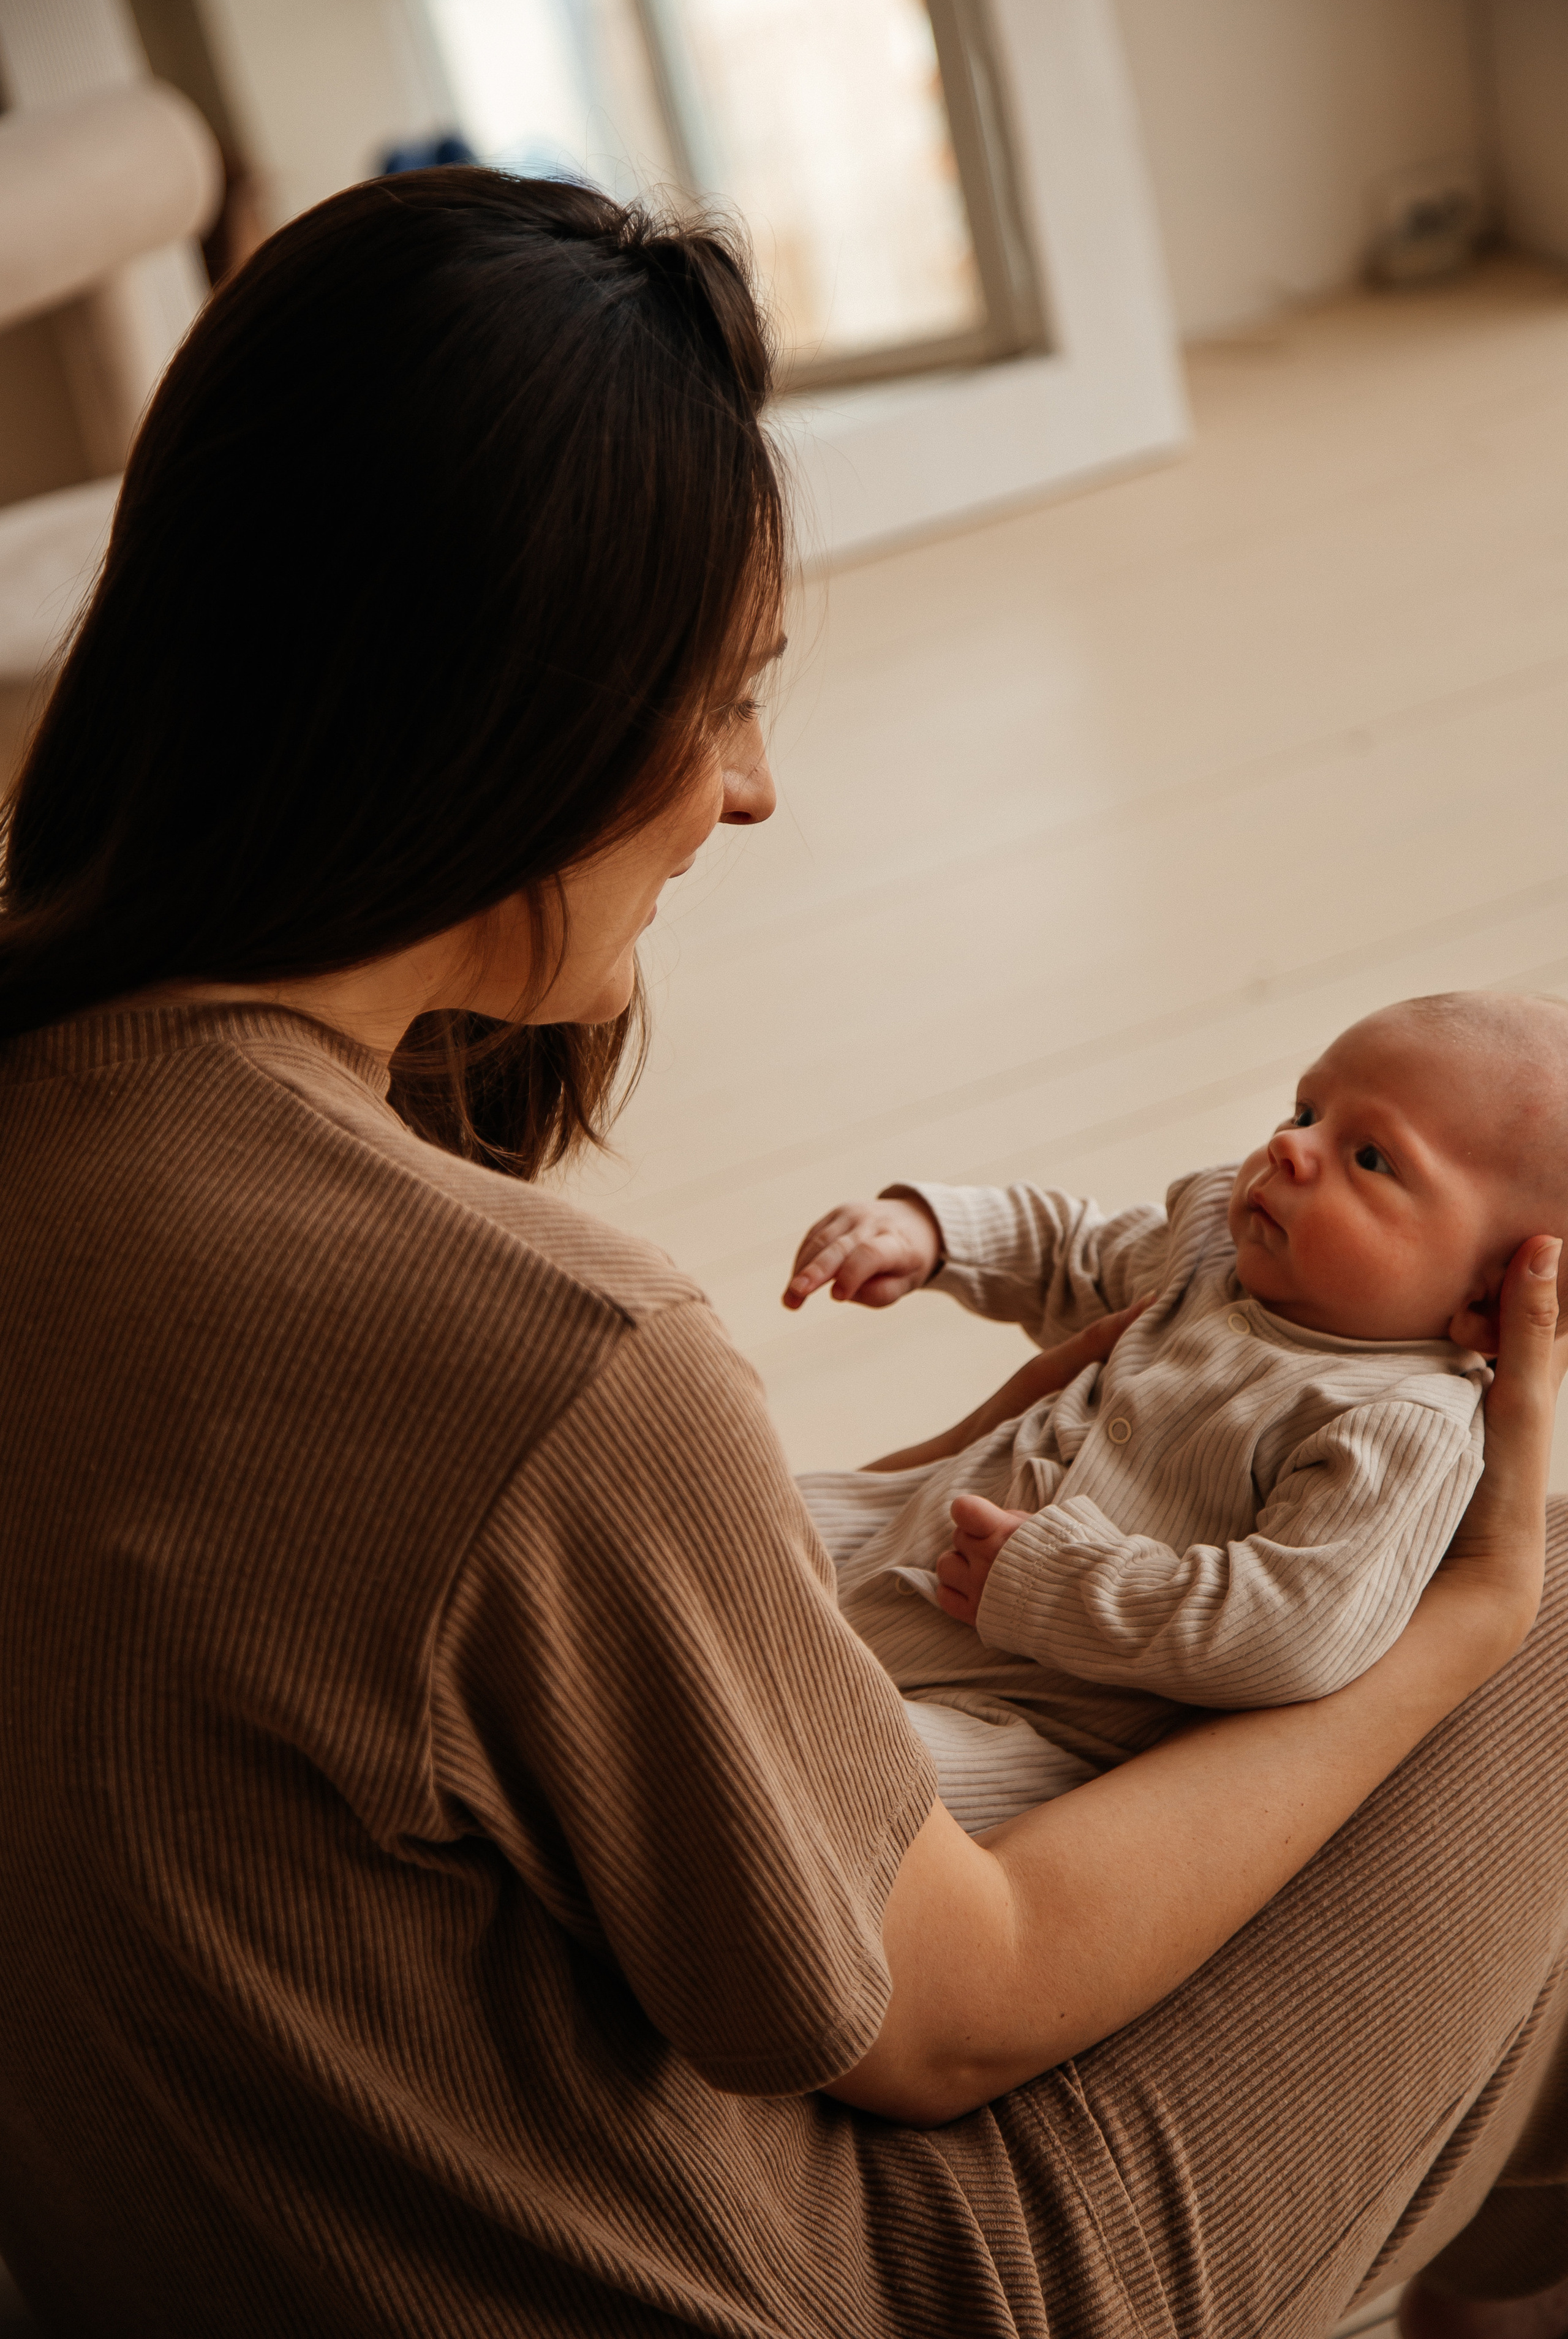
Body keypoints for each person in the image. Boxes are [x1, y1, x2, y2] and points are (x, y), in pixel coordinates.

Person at [0, 167, 1563, 2339]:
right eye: (724, 698)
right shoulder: (553, 1365)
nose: (749, 792)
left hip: (183, 2232)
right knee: (1535, 1619)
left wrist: (953, 1470)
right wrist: (1466, 1626)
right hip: (802, 2278)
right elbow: (951, 2008)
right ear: (515, 719)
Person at [782, 992, 1568, 1834]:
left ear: (1487, 1305)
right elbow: (1070, 1250)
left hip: (1022, 1715)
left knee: (843, 1781)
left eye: (1370, 1158)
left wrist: (1051, 1585)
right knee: (717, 1512)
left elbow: (1288, 1630)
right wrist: (932, 1232)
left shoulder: (1399, 1425)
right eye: (1306, 1110)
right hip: (891, 1535)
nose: (1290, 1146)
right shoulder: (1210, 1250)